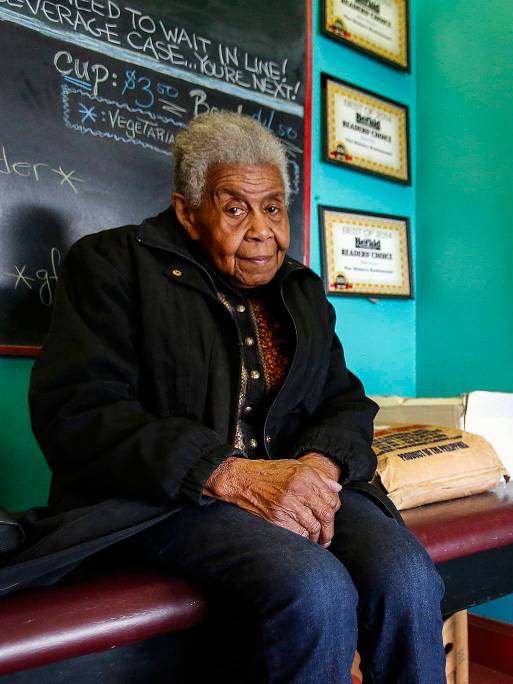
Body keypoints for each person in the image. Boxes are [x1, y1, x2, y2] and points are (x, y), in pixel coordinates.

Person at [8, 111, 445, 682]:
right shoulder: (111, 264)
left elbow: (344, 400)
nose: (262, 230)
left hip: (293, 481)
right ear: (188, 212)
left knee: (408, 575)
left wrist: (317, 465)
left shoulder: (301, 288)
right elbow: (79, 411)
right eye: (235, 207)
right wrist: (229, 474)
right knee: (312, 587)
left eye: (272, 208)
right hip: (166, 500)